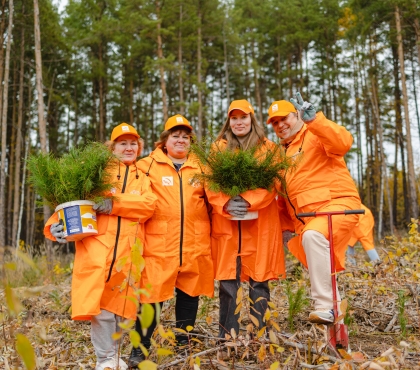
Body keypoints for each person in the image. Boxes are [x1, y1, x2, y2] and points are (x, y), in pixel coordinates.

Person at [45, 123, 157, 370]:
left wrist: (113, 203)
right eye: (122, 143)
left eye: (132, 143)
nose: (128, 148)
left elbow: (148, 206)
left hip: (129, 252)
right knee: (102, 308)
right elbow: (70, 198)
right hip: (97, 249)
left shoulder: (144, 178)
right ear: (112, 146)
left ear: (139, 147)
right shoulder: (96, 172)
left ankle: (115, 357)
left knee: (120, 309)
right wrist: (55, 225)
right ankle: (105, 359)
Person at [130, 114, 214, 368]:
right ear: (164, 141)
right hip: (159, 244)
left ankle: (183, 343)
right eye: (175, 136)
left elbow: (216, 201)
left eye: (185, 137)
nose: (180, 140)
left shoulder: (203, 167)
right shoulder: (145, 166)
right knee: (152, 298)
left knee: (189, 294)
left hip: (194, 242)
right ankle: (139, 350)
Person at [271, 93, 361, 325]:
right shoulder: (282, 155)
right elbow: (282, 199)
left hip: (336, 206)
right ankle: (338, 337)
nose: (281, 125)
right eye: (275, 122)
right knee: (324, 273)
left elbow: (343, 143)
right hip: (307, 221)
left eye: (285, 118)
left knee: (313, 238)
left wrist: (315, 121)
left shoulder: (314, 134)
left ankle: (325, 307)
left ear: (297, 115)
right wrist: (285, 228)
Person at [206, 99, 285, 339]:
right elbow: (209, 182)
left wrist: (249, 200)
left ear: (252, 119)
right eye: (234, 118)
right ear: (228, 122)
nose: (239, 122)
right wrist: (226, 202)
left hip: (259, 223)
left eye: (244, 117)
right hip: (228, 223)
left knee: (259, 281)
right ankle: (227, 335)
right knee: (228, 282)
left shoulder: (268, 148)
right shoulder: (218, 148)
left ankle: (259, 335)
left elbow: (274, 183)